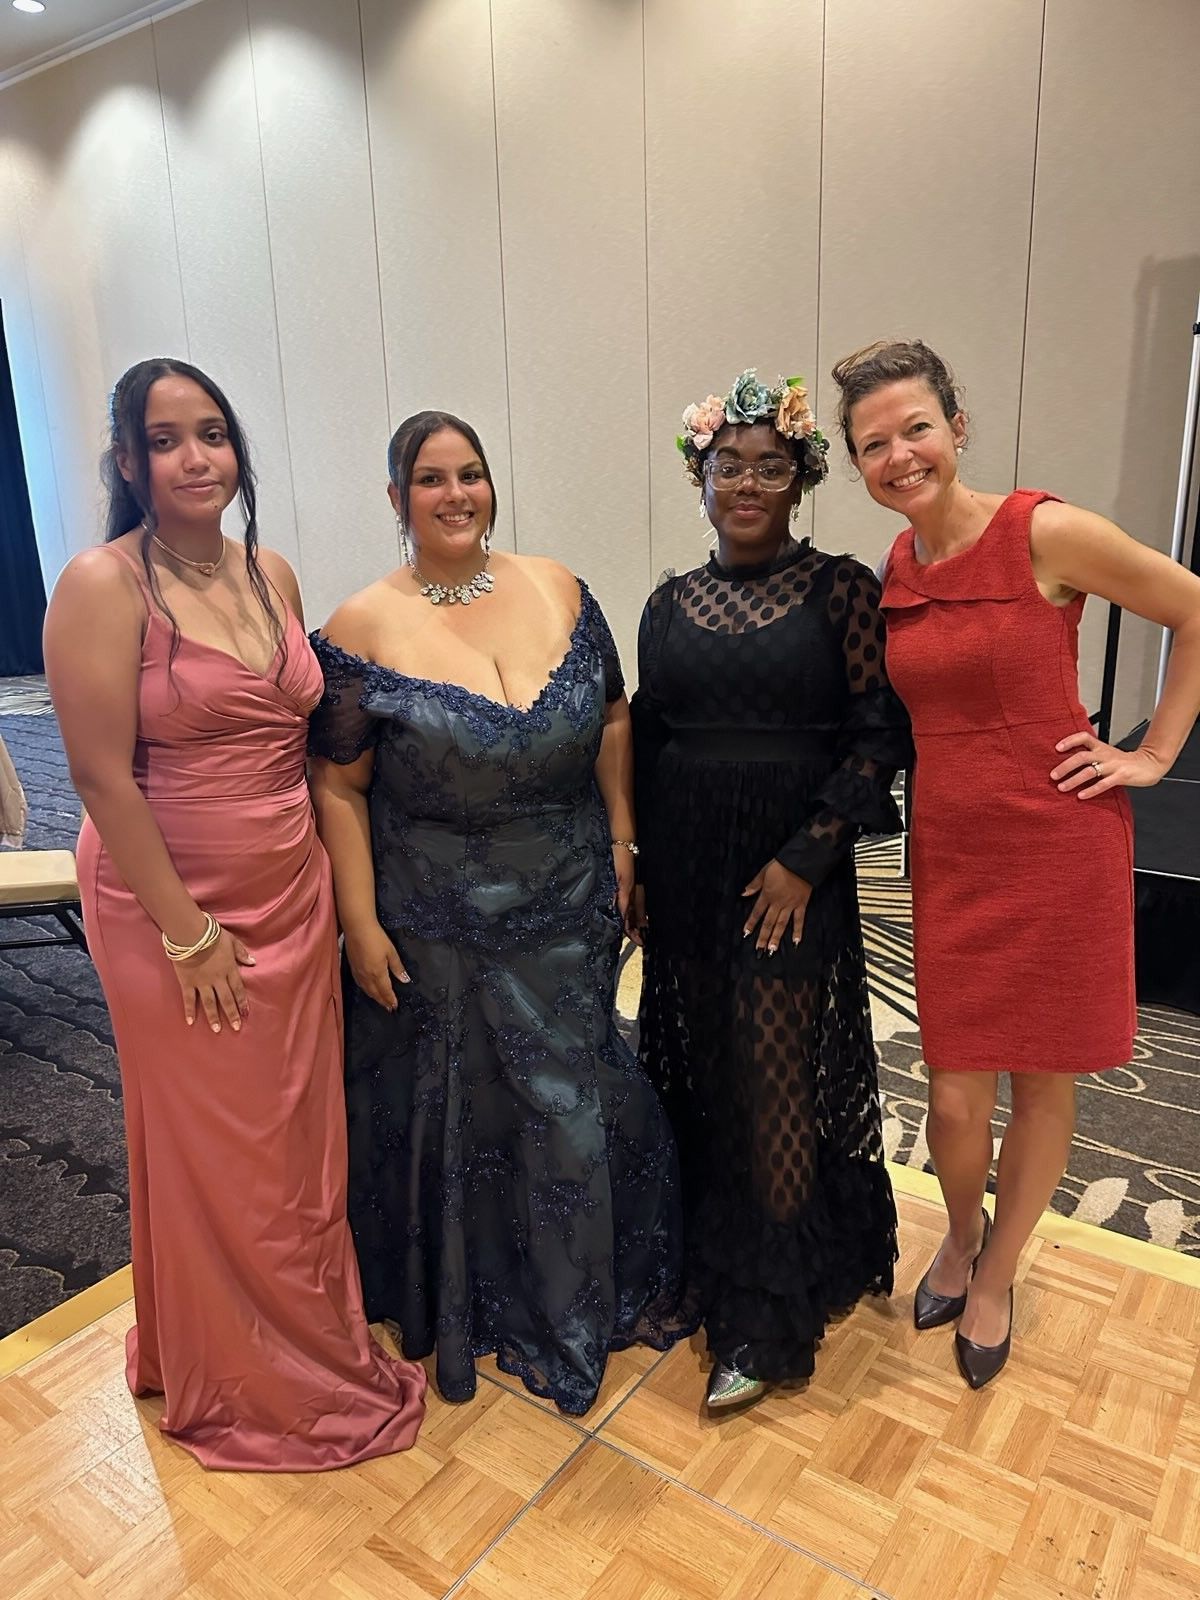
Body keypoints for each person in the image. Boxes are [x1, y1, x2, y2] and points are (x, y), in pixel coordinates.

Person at [43, 358, 426, 1470]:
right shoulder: (101, 584)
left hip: (289, 890)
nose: (195, 457)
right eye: (165, 440)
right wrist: (188, 931)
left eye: (211, 433)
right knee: (226, 1148)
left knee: (298, 1138)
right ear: (128, 461)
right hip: (171, 907)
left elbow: (307, 748)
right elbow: (101, 779)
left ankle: (268, 1334)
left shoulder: (274, 573)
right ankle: (253, 1373)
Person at [830, 338, 1200, 1388]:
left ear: (957, 425)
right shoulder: (899, 568)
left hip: (1056, 837)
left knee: (1039, 1082)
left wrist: (1154, 755)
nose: (900, 455)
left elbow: (1193, 604)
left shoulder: (1042, 531)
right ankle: (958, 1229)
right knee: (952, 1099)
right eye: (874, 444)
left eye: (916, 428)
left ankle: (995, 1272)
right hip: (951, 845)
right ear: (857, 464)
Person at [307, 410, 690, 1416]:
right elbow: (339, 786)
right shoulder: (359, 626)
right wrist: (358, 920)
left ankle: (583, 1290)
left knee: (578, 1099)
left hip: (569, 898)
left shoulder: (558, 585)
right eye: (429, 479)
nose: (455, 494)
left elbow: (611, 714)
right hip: (441, 920)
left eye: (470, 473)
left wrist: (621, 842)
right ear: (397, 499)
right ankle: (489, 1299)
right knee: (477, 1111)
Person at [631, 371, 910, 1410]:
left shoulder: (840, 588)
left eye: (771, 466)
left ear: (801, 481)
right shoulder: (666, 604)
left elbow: (879, 732)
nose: (748, 482)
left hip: (789, 873)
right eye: (729, 465)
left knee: (776, 1077)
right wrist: (645, 868)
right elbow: (651, 739)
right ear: (698, 477)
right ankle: (715, 1256)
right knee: (704, 1067)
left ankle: (773, 1317)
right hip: (691, 868)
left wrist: (806, 857)